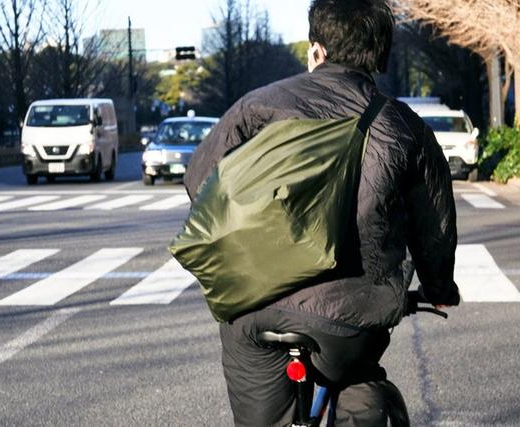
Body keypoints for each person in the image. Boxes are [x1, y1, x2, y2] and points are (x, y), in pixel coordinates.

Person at [183, 0, 460, 425]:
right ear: (380, 56)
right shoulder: (405, 127)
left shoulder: (258, 105)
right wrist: (438, 285)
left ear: (316, 50)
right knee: (359, 375)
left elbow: (200, 181)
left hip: (257, 308)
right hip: (351, 318)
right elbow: (433, 226)